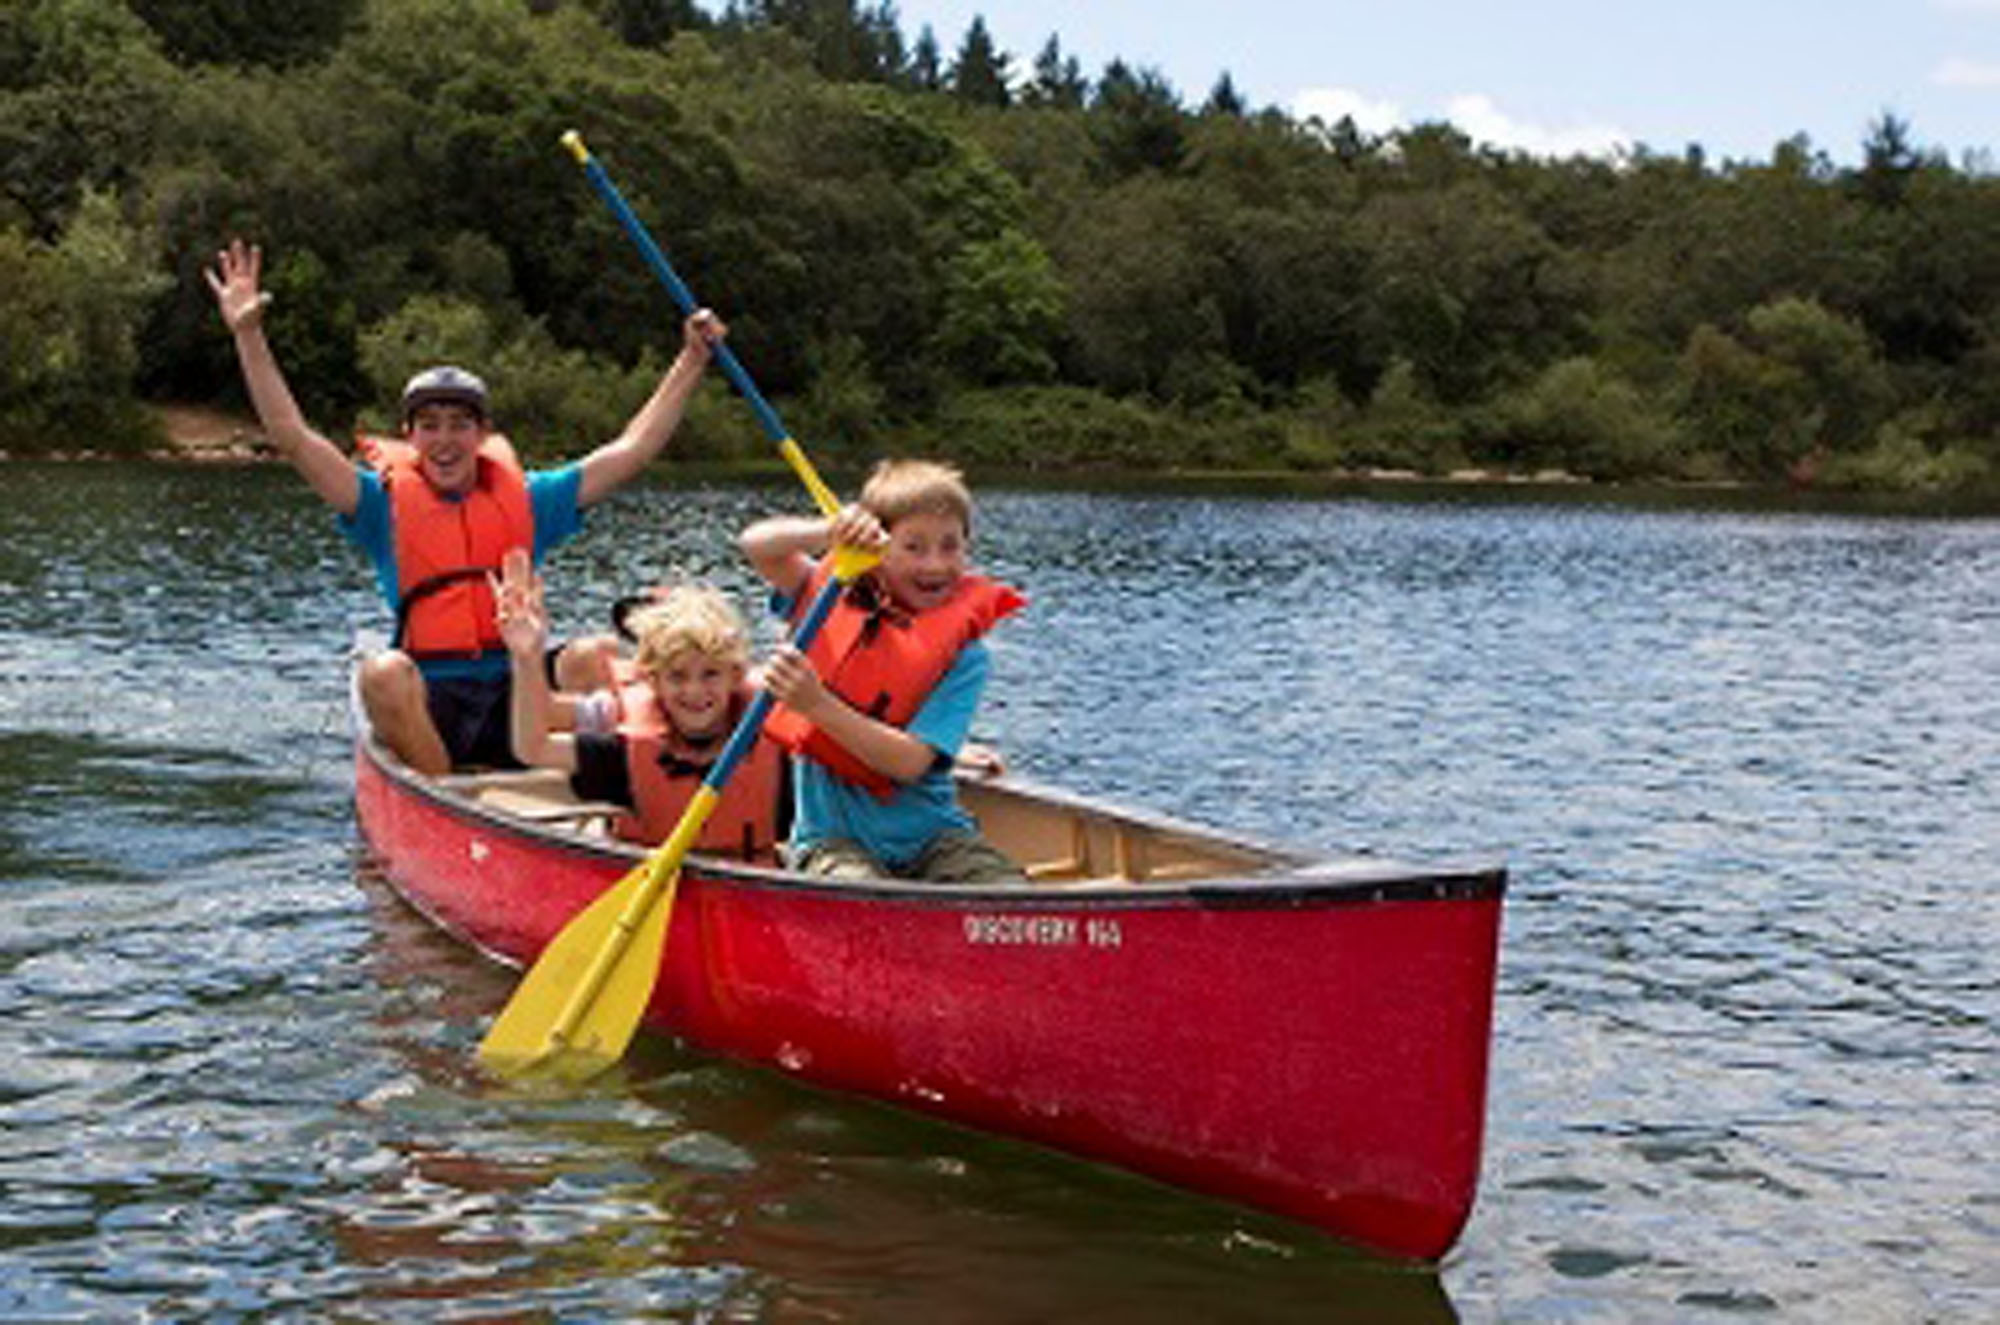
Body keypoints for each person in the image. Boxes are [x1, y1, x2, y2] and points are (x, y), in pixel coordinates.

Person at [204, 237, 725, 774]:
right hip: (433, 695)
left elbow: (632, 449)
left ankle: (628, 784)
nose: (445, 440)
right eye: (429, 426)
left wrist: (690, 359)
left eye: (460, 425)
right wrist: (248, 334)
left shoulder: (528, 500)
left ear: (483, 433)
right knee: (381, 672)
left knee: (594, 656)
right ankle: (447, 796)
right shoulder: (379, 504)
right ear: (409, 435)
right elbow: (292, 436)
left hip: (519, 690)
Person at [740, 459, 1026, 883]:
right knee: (859, 890)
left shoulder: (966, 656)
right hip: (832, 842)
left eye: (951, 546)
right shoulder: (827, 595)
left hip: (935, 837)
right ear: (877, 548)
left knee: (1009, 894)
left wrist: (815, 705)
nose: (934, 564)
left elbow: (909, 764)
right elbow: (757, 544)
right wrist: (829, 532)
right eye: (913, 547)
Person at [494, 551, 786, 861]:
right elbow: (533, 747)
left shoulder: (776, 737)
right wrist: (526, 659)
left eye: (710, 674)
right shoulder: (624, 750)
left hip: (750, 876)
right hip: (648, 880)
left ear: (736, 676)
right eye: (677, 677)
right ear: (652, 680)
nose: (694, 691)